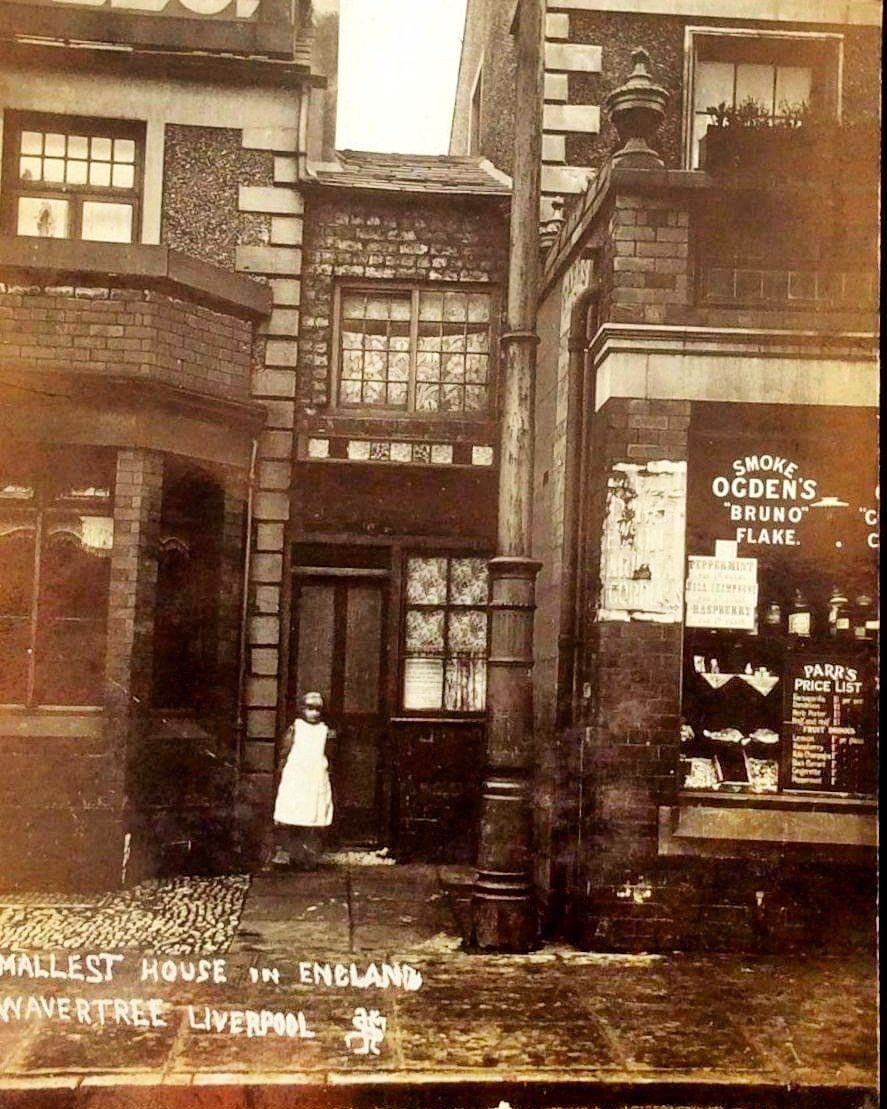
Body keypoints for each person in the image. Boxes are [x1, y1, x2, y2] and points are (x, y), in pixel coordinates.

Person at [271, 691, 334, 869]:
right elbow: (284, 751)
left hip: (316, 777)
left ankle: (310, 857)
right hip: (297, 777)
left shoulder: (326, 731)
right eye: (310, 709)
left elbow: (330, 754)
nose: (314, 713)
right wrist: (282, 770)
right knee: (293, 814)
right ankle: (289, 853)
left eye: (317, 709)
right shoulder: (295, 728)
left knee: (313, 816)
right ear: (302, 709)